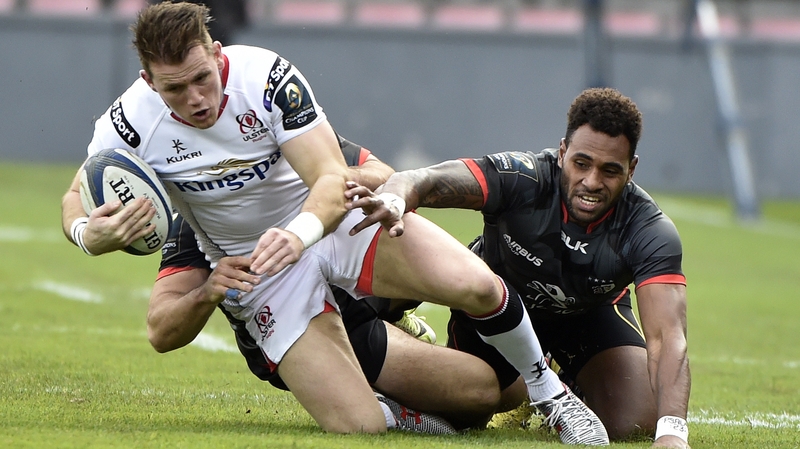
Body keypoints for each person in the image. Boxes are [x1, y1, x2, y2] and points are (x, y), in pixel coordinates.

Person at [60, 2, 607, 443]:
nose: (196, 99)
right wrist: (90, 235)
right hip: (263, 275)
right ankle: (396, 411)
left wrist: (298, 233)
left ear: (217, 52)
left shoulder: (267, 78)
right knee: (357, 426)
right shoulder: (128, 122)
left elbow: (329, 176)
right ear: (148, 82)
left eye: (202, 78)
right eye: (175, 89)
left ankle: (552, 396)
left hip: (327, 224)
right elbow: (75, 198)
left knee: (476, 284)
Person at [346, 87, 690, 448]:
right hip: (498, 307)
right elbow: (425, 179)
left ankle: (560, 381)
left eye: (610, 171)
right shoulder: (522, 178)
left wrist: (673, 434)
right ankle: (513, 384)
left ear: (631, 169)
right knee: (471, 407)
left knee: (633, 421)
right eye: (581, 163)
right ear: (562, 152)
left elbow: (667, 337)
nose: (591, 182)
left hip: (588, 314)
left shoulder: (649, 229)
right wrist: (397, 195)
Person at [149, 136, 499, 431]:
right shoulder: (197, 225)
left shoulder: (287, 141)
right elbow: (161, 332)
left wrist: (330, 180)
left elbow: (383, 172)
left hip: (360, 294)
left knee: (504, 389)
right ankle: (385, 403)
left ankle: (411, 321)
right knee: (480, 392)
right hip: (314, 327)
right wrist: (206, 292)